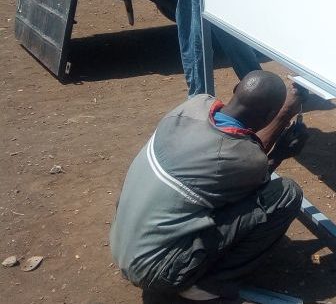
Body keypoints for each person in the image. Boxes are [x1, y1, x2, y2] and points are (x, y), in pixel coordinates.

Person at [110, 71, 308, 303]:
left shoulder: (194, 106)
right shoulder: (245, 159)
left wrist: (283, 111)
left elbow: (235, 153)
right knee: (285, 194)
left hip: (124, 246)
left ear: (235, 89)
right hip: (159, 272)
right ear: (269, 115)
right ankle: (207, 285)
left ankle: (189, 267)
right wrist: (281, 152)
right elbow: (253, 165)